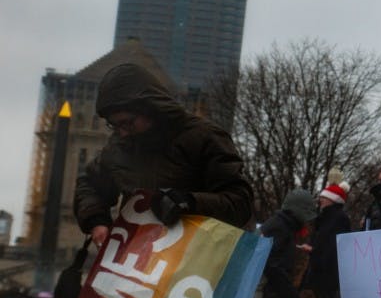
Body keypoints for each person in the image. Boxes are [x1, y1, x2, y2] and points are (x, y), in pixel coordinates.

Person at [73, 63, 253, 246]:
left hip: (194, 260)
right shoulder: (120, 146)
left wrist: (189, 203)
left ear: (149, 108)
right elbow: (90, 185)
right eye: (115, 125)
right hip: (135, 261)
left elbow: (240, 203)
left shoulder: (204, 137)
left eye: (128, 122)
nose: (123, 132)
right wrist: (97, 222)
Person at [301, 182, 352, 298]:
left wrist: (314, 251)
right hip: (321, 272)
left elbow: (332, 248)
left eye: (324, 197)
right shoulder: (324, 219)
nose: (320, 200)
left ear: (331, 200)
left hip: (328, 273)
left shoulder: (338, 219)